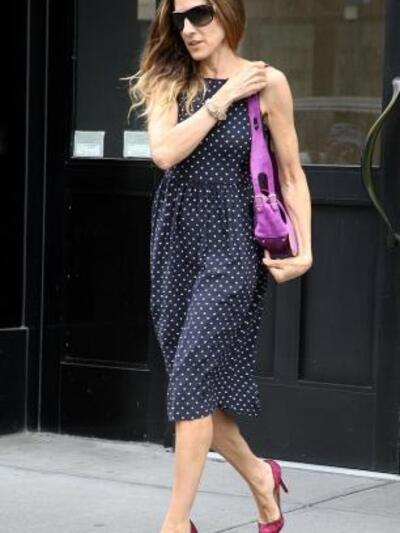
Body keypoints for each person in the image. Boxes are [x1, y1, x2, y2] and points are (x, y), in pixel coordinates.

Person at [127, 1, 313, 532]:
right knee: (196, 389)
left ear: (228, 14)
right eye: (178, 19)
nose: (188, 29)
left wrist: (305, 250)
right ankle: (261, 479)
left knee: (190, 380)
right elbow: (165, 153)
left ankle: (175, 525)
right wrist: (222, 98)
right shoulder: (168, 79)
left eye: (201, 14)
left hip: (231, 250)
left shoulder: (267, 82)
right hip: (174, 247)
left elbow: (290, 173)